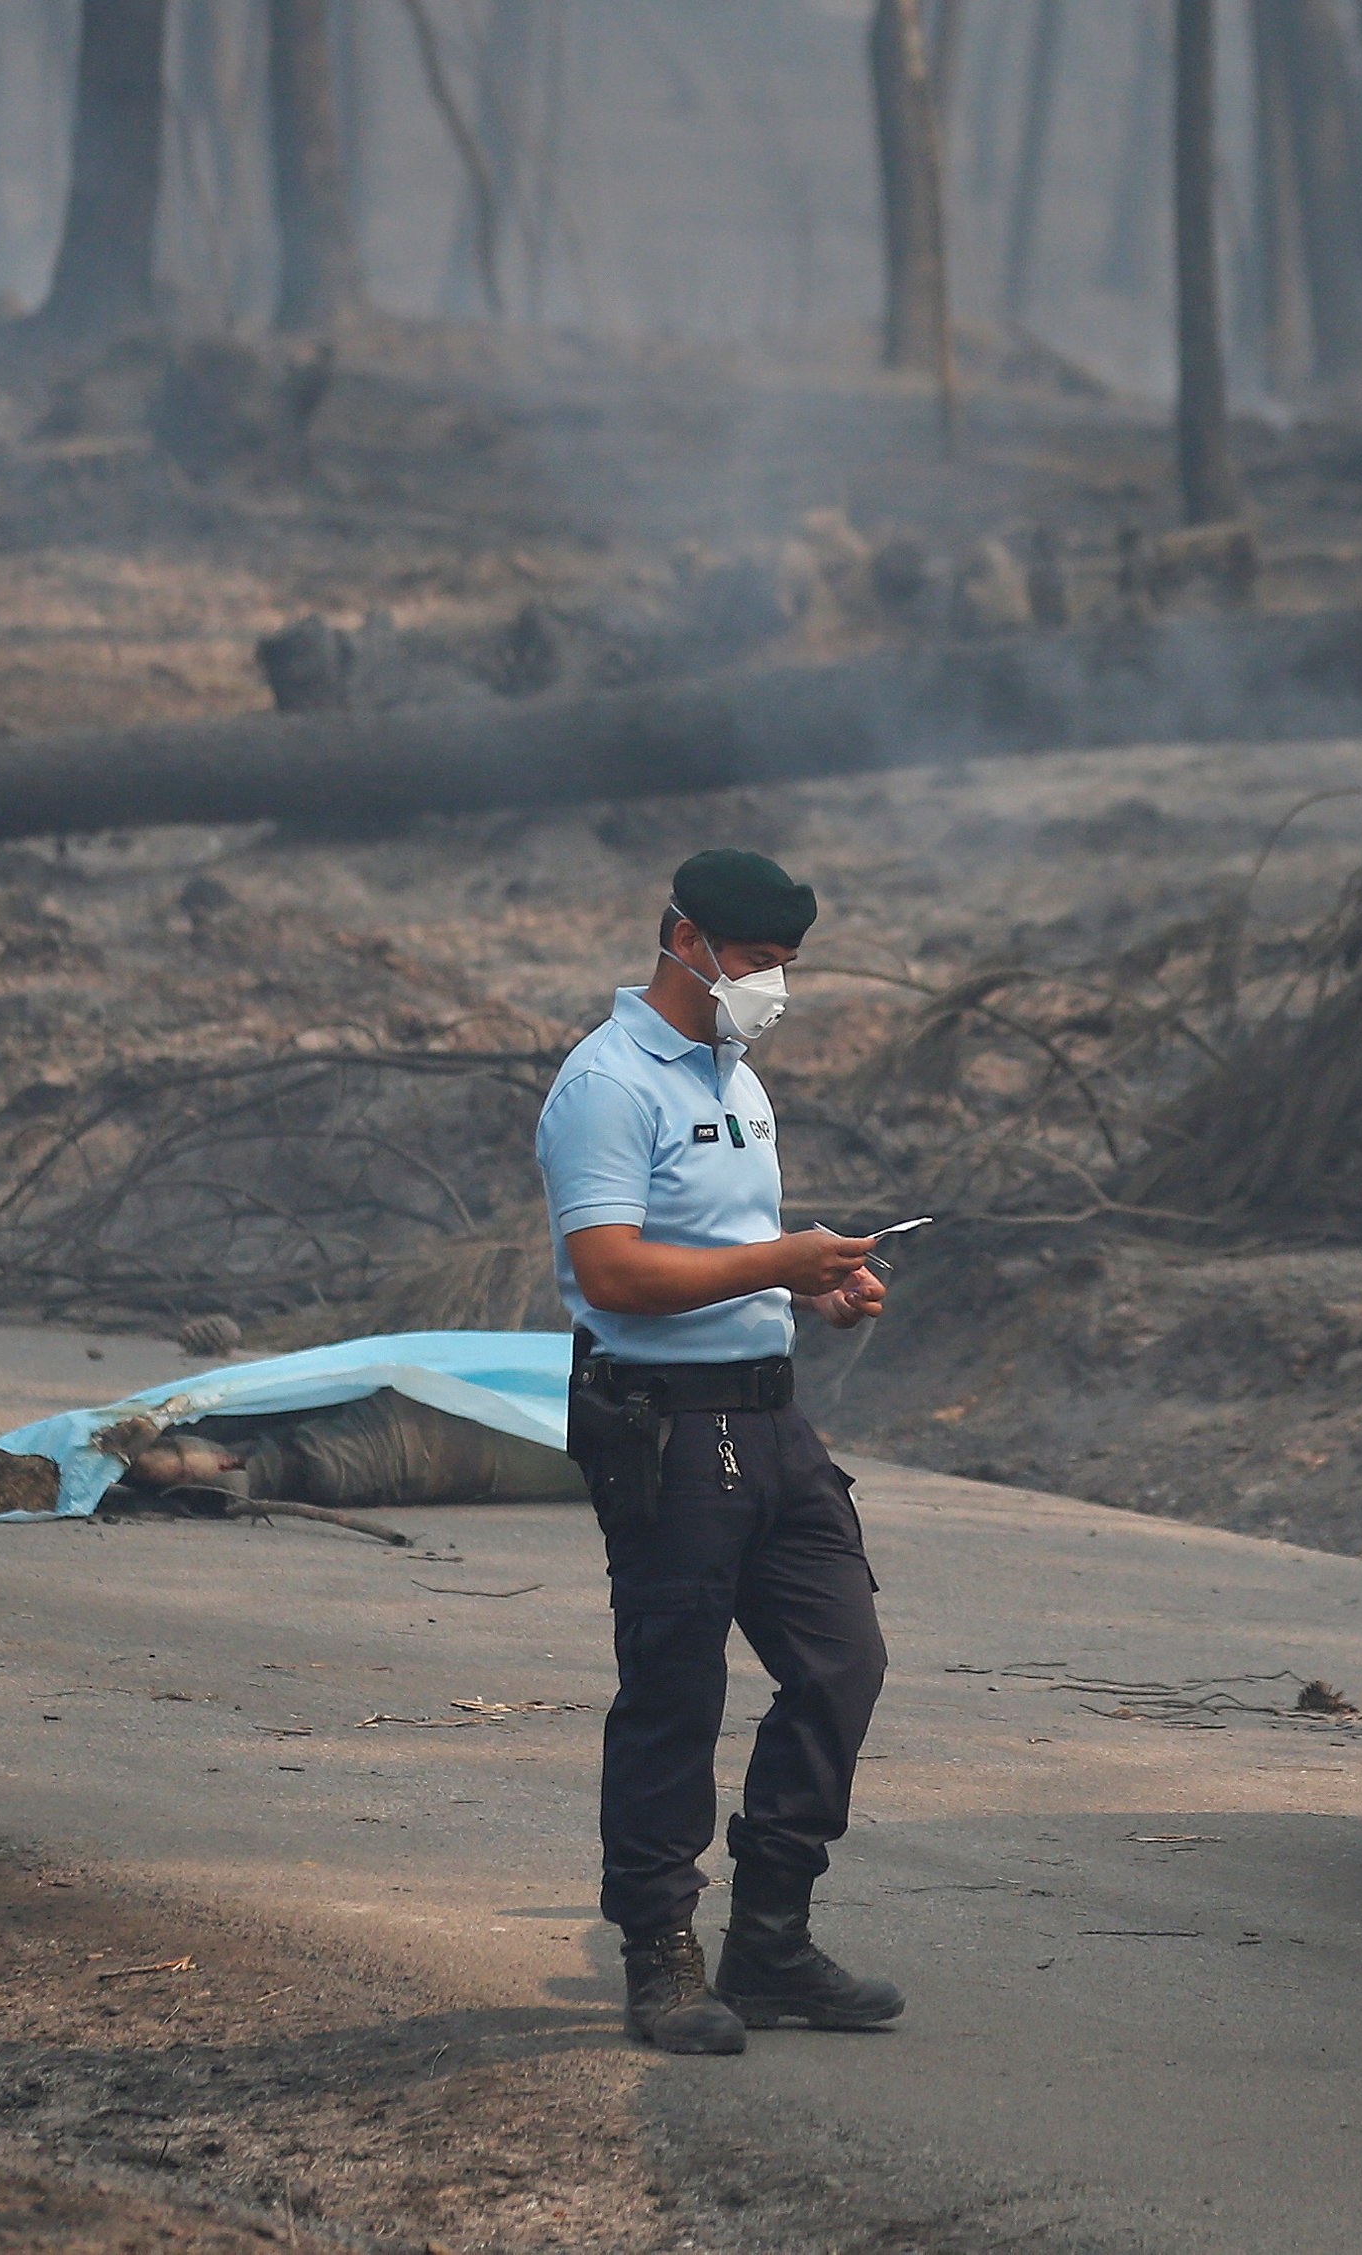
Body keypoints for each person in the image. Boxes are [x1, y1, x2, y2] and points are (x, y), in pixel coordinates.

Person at [535, 847, 903, 2055]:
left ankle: (772, 1941)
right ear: (684, 940)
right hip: (663, 1425)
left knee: (841, 1661)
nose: (770, 987)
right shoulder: (606, 1083)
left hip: (770, 1419)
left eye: (784, 965)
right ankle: (660, 1954)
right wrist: (778, 1260)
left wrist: (813, 1289)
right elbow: (611, 1271)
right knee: (674, 1690)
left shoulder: (737, 1080)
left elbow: (720, 1253)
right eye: (753, 961)